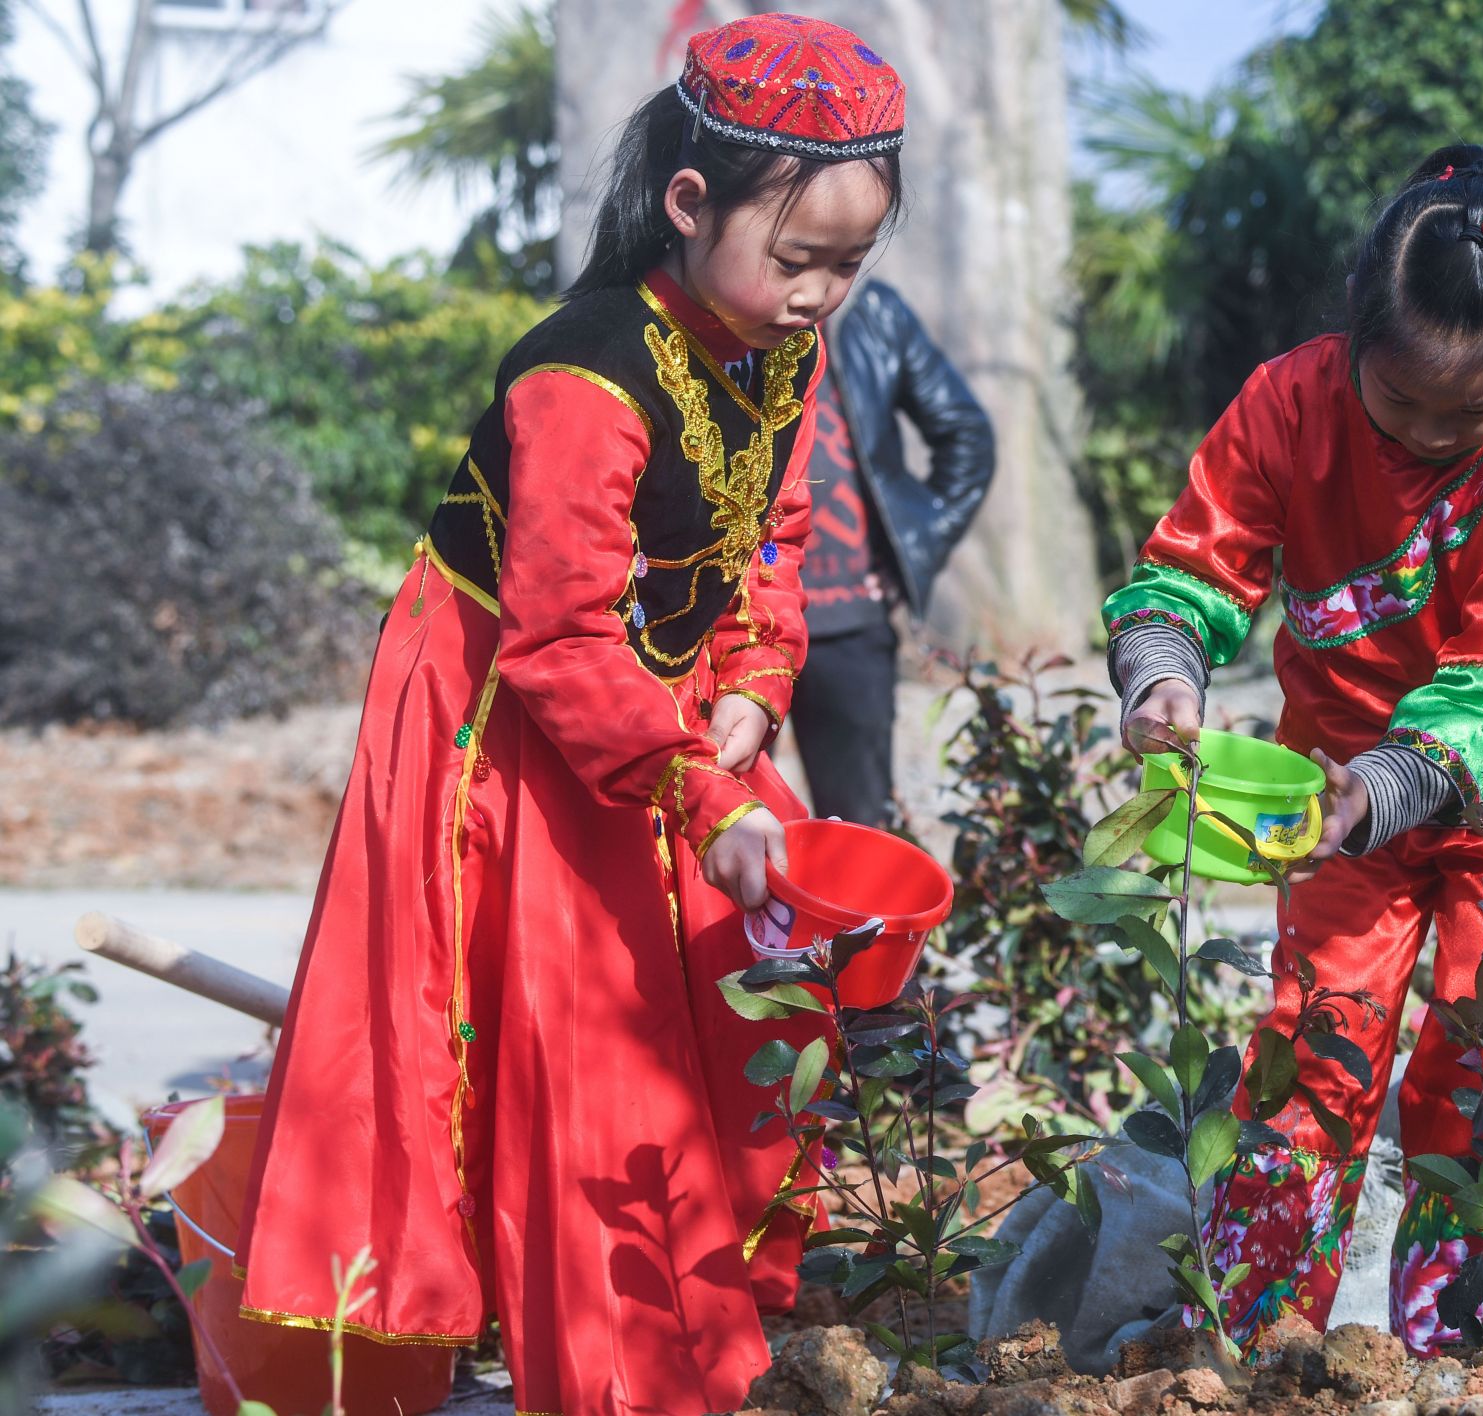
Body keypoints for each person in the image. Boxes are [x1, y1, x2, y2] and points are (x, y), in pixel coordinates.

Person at [234, 17, 905, 1415]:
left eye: (849, 265)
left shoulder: (782, 346)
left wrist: (754, 687)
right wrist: (703, 792)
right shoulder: (583, 375)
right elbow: (555, 634)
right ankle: (613, 1369)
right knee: (573, 1024)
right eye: (797, 261)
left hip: (649, 700)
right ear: (687, 203)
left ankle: (690, 1329)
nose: (820, 298)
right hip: (504, 694)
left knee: (730, 985)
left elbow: (771, 540)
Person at [1107, 143, 1483, 1356]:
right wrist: (1166, 676)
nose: (1433, 435)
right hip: (1333, 786)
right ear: (1352, 344)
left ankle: (1465, 1347)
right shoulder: (1289, 403)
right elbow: (1194, 562)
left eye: (1471, 412)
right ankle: (1256, 1331)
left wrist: (1382, 789)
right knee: (1317, 1039)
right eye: (1403, 404)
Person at [788, 284, 994, 826]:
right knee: (717, 827)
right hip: (731, 622)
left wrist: (916, 549)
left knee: (859, 829)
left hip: (848, 619)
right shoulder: (712, 305)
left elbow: (966, 435)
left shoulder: (870, 313)